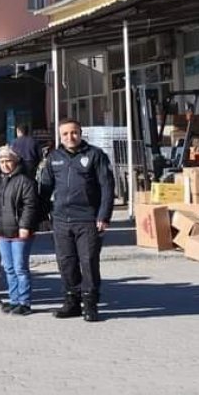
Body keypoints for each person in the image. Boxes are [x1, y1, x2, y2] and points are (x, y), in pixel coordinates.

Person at [38, 119, 115, 322]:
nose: (70, 137)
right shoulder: (54, 157)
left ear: (80, 133)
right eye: (65, 134)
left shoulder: (95, 155)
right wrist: (43, 214)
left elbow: (107, 187)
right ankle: (72, 302)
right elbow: (45, 188)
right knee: (66, 262)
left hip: (88, 219)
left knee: (88, 262)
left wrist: (103, 216)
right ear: (60, 136)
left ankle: (90, 304)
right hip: (61, 220)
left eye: (74, 133)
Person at [0, 146, 40, 316]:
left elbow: (30, 206)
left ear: (15, 161)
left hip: (19, 233)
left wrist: (25, 226)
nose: (5, 164)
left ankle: (24, 302)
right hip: (2, 232)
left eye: (8, 160)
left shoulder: (25, 181)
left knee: (20, 268)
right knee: (8, 268)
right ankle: (14, 299)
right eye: (1, 161)